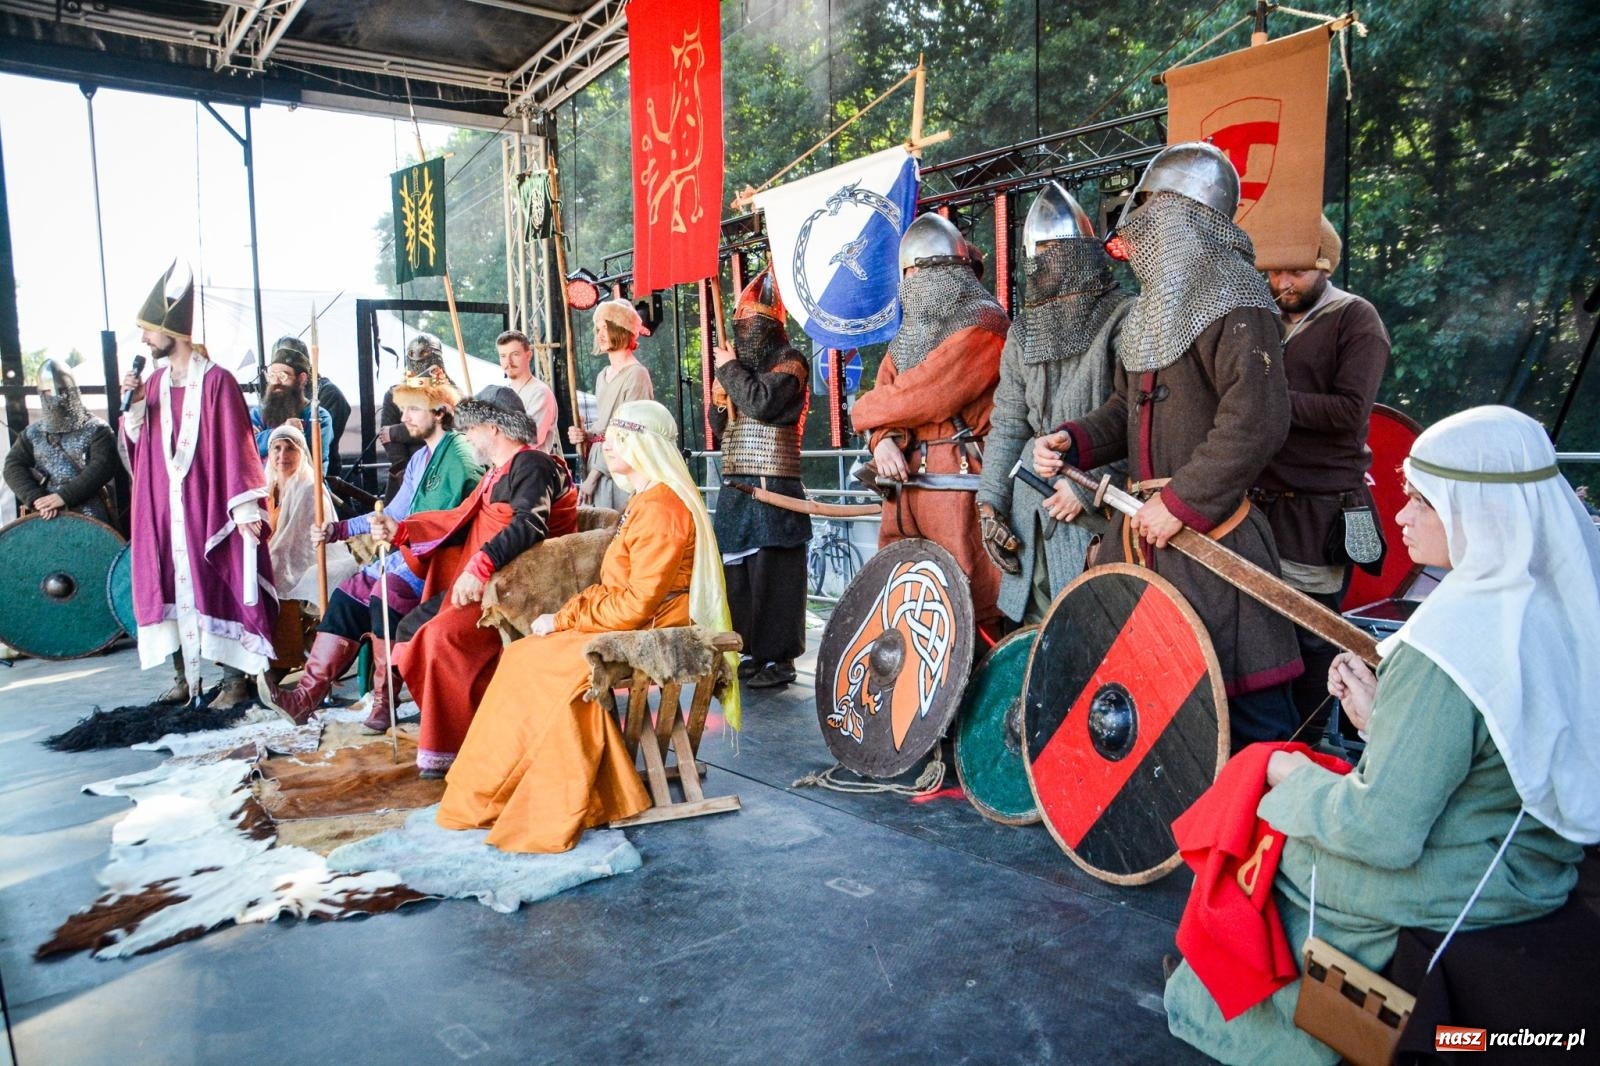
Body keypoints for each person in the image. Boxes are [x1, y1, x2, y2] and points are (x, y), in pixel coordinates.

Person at [1164, 405, 1600, 1064]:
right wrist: (1381, 720)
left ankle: (1302, 1034)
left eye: (1424, 500)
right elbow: (1500, 751)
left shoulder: (1452, 640)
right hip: (1540, 858)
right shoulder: (1559, 600)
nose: (1401, 515)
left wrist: (1283, 777)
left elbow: (1383, 833)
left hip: (1483, 877)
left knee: (1285, 852)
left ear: (1481, 511)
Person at [1035, 142, 1302, 749]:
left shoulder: (1238, 301)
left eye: (1149, 209)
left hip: (1213, 539)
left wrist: (1181, 503)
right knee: (1154, 714)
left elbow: (1255, 421)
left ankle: (1261, 840)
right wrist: (1072, 440)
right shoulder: (1150, 313)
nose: (1138, 226)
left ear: (1184, 213)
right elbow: (1126, 412)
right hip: (1144, 540)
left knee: (1247, 716)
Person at [438, 399, 740, 852]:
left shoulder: (661, 508)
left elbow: (637, 606)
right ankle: (496, 794)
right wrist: (567, 617)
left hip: (648, 629)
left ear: (642, 445)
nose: (607, 448)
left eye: (618, 440)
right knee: (523, 655)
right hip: (627, 619)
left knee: (541, 666)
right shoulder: (648, 500)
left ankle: (556, 800)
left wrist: (563, 617)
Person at [257, 368, 481, 730]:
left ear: (440, 412)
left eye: (413, 410)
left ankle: (384, 703)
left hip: (441, 564)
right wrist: (340, 528)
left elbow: (448, 522)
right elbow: (393, 513)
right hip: (406, 556)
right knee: (347, 596)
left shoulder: (459, 454)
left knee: (384, 594)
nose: (403, 418)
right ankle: (304, 699)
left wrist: (400, 533)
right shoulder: (421, 458)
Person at [378, 398, 579, 777]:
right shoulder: (495, 472)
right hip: (487, 584)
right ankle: (461, 733)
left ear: (494, 428)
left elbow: (529, 525)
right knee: (410, 628)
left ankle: (468, 741)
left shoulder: (533, 463)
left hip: (518, 590)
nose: (466, 436)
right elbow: (457, 518)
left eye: (470, 428)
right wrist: (402, 530)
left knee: (439, 637)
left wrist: (482, 563)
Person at [120, 261, 276, 709]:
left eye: (150, 330)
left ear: (175, 331)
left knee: (217, 579)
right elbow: (140, 444)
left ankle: (232, 681)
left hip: (208, 504)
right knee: (166, 580)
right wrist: (130, 407)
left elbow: (237, 446)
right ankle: (183, 677)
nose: (145, 340)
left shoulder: (218, 382)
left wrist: (245, 509)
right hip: (165, 507)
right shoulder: (152, 384)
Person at [1253, 215, 1391, 723]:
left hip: (1318, 510)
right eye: (1273, 272)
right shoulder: (1263, 318)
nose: (1281, 283)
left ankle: (1306, 753)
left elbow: (1350, 412)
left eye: (1295, 272)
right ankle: (1263, 756)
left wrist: (1268, 402)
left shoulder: (1357, 319)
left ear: (1324, 264)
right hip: (1257, 508)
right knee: (1260, 638)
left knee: (1313, 643)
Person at [975, 183, 1130, 623]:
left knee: (1093, 632)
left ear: (1080, 252)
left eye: (1051, 249)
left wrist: (1089, 486)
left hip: (1099, 510)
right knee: (1029, 638)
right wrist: (991, 506)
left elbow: (1137, 417)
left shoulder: (1124, 318)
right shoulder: (1024, 332)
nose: (1039, 260)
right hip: (1030, 509)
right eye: (1035, 251)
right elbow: (1008, 424)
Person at [851, 212, 1009, 638]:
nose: (908, 282)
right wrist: (882, 441)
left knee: (966, 606)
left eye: (913, 272)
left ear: (936, 273)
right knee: (907, 603)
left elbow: (924, 395)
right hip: (905, 489)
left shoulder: (985, 326)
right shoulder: (910, 336)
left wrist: (864, 414)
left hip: (958, 489)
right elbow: (891, 393)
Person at [708, 269, 812, 689]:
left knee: (774, 575)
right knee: (740, 576)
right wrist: (719, 400)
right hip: (738, 483)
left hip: (774, 481)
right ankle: (749, 650)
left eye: (751, 326)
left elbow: (762, 403)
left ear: (769, 328)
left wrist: (731, 372)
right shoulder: (738, 369)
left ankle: (778, 658)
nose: (745, 333)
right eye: (740, 327)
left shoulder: (791, 362)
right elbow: (722, 429)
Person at [261, 424, 340, 680]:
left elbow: (301, 542)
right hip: (275, 553)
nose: (282, 455)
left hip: (308, 559)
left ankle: (282, 662)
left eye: (290, 449)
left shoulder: (308, 487)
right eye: (277, 448)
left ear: (301, 453)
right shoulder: (267, 486)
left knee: (275, 577)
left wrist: (268, 559)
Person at [4, 359, 119, 526]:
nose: (57, 397)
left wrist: (64, 496)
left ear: (74, 391)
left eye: (63, 390)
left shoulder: (97, 429)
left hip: (90, 511)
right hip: (47, 514)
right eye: (49, 392)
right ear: (42, 394)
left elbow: (102, 466)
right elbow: (12, 466)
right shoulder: (33, 433)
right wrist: (37, 498)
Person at [567, 298, 653, 509]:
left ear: (622, 329)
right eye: (598, 329)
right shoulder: (602, 375)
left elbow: (627, 433)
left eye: (606, 328)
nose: (600, 335)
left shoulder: (636, 375)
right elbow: (603, 427)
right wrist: (585, 435)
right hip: (598, 461)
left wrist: (593, 477)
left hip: (619, 467)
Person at [378, 333, 458, 500]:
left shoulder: (451, 393)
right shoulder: (394, 393)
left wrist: (396, 432)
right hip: (405, 475)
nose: (405, 417)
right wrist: (404, 472)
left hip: (445, 470)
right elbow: (387, 438)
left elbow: (449, 429)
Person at [249, 336, 334, 470]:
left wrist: (263, 438)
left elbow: (314, 465)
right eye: (272, 376)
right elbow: (246, 449)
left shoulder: (319, 417)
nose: (276, 382)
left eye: (283, 376)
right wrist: (282, 431)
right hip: (263, 489)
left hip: (304, 488)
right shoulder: (257, 413)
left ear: (301, 378)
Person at [494, 329, 560, 454]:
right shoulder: (503, 393)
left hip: (530, 469)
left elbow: (529, 438)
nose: (508, 362)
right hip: (507, 468)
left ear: (528, 355)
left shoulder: (540, 393)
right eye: (503, 356)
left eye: (515, 354)